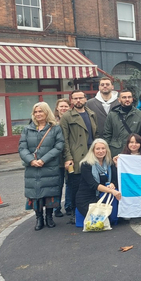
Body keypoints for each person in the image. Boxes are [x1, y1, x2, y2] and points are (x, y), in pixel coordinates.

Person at [19, 102, 65, 231]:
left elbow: (59, 146)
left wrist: (43, 159)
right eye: (36, 112)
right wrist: (31, 160)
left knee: (49, 192)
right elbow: (22, 148)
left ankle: (49, 217)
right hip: (32, 167)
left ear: (46, 112)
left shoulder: (55, 128)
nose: (38, 114)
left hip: (49, 165)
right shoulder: (27, 129)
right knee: (35, 194)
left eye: (41, 111)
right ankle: (39, 218)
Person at [60, 90, 98, 221]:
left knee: (92, 183)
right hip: (76, 156)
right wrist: (68, 157)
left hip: (91, 155)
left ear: (85, 99)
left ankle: (91, 211)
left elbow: (95, 134)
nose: (78, 101)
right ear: (71, 101)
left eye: (80, 98)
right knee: (76, 186)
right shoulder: (67, 117)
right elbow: (64, 139)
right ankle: (76, 214)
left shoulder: (92, 114)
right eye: (75, 98)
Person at [75, 139, 121, 223]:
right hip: (87, 198)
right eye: (98, 149)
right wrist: (111, 191)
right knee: (101, 220)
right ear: (93, 150)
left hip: (102, 195)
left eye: (103, 148)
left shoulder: (109, 163)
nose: (101, 151)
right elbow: (93, 185)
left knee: (116, 191)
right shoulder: (86, 164)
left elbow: (115, 180)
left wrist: (112, 184)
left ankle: (114, 218)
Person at [103, 89, 141, 157]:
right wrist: (106, 151)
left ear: (132, 99)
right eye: (124, 97)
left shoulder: (140, 115)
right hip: (116, 151)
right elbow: (107, 135)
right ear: (119, 99)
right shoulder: (112, 115)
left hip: (135, 152)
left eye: (129, 97)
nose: (127, 99)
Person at [53, 98, 71, 218]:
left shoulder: (71, 120)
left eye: (66, 106)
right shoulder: (52, 123)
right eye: (61, 106)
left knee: (69, 182)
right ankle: (56, 207)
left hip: (69, 157)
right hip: (57, 159)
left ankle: (68, 206)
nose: (63, 108)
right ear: (57, 108)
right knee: (58, 184)